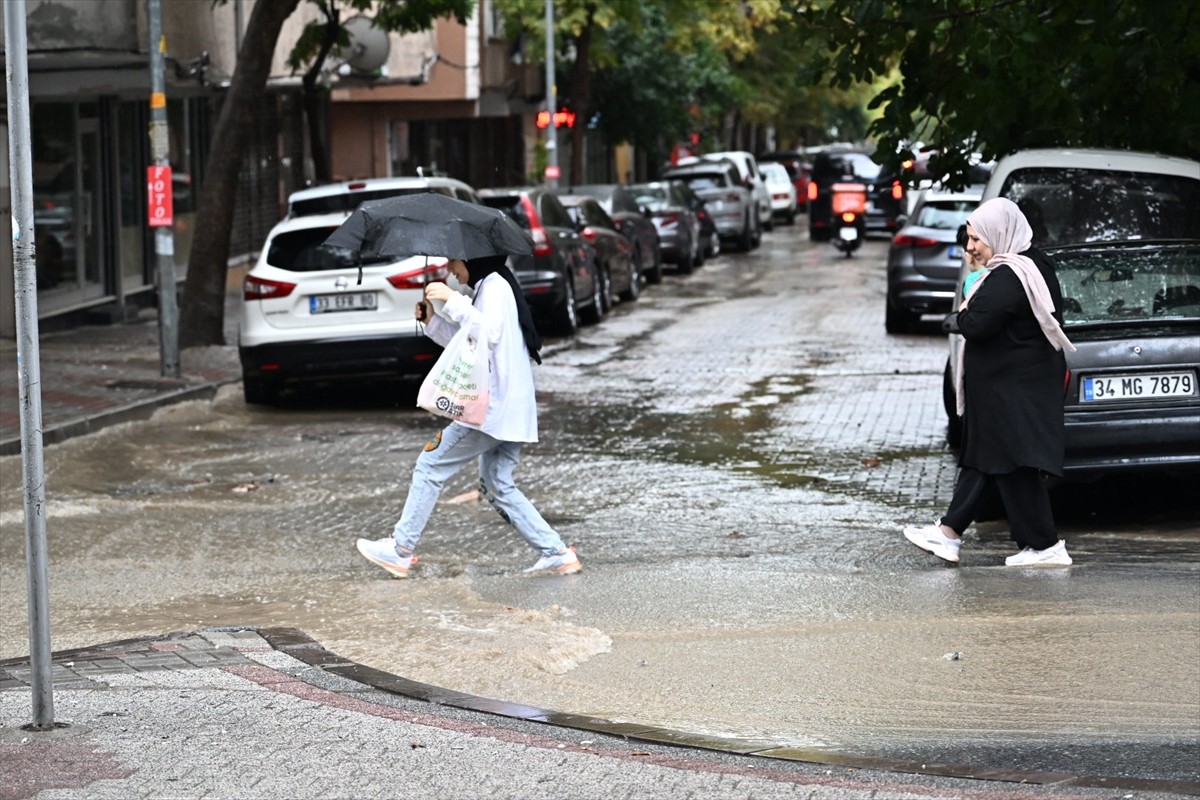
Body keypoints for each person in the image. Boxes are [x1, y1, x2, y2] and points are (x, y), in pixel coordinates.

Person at [356, 254, 581, 578]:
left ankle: (401, 549)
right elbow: (472, 340)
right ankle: (556, 553)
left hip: (493, 410)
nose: (450, 268)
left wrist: (452, 299)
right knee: (497, 485)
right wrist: (433, 321)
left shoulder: (495, 286)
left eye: (454, 261)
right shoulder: (491, 285)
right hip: (509, 408)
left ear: (473, 257)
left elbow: (488, 332)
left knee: (430, 464)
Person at [903, 197, 1076, 567]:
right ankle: (963, 535)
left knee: (1004, 461)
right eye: (969, 238)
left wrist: (966, 305)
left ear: (999, 233)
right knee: (994, 461)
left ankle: (1036, 545)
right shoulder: (1032, 264)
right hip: (1011, 388)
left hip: (1010, 390)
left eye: (976, 239)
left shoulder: (1010, 275)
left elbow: (975, 324)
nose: (971, 247)